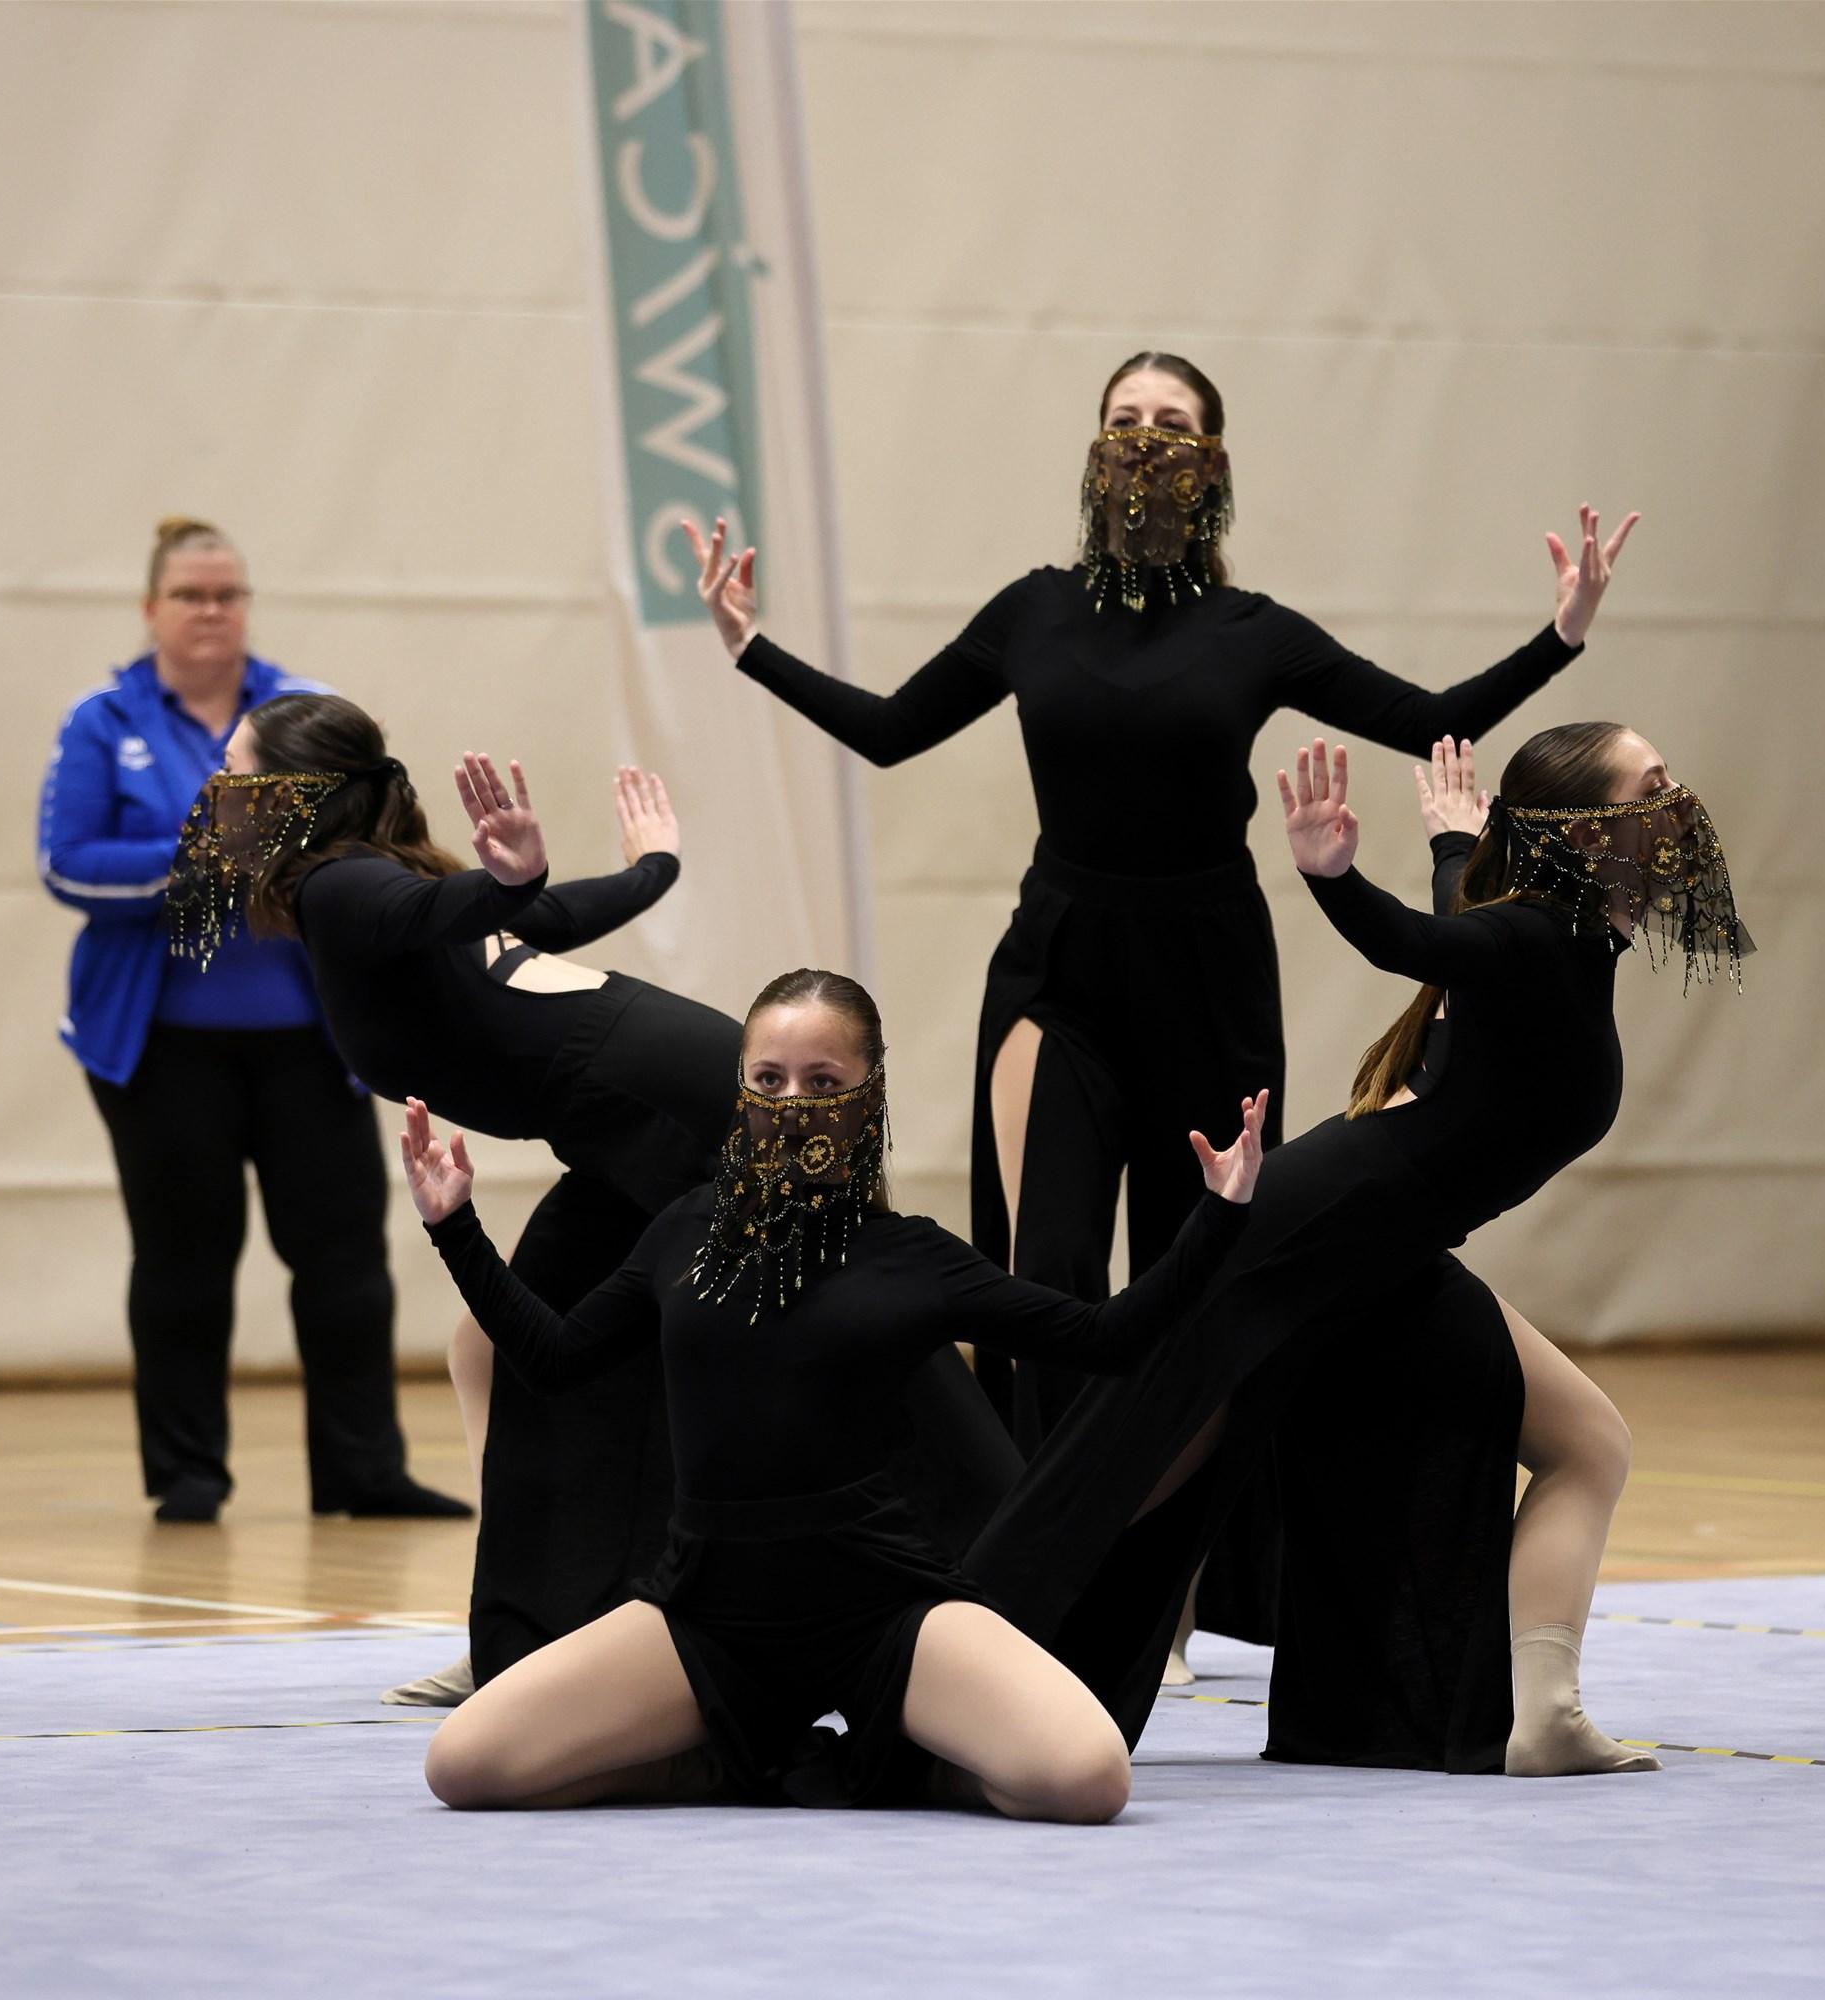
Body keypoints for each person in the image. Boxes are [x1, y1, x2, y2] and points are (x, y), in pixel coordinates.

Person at [700, 350, 1636, 1660]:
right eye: (1125, 419)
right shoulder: (1031, 611)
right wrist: (751, 649)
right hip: (1058, 972)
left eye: (1174, 422)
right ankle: (1024, 1574)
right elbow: (894, 727)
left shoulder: (1256, 633)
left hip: (1210, 978)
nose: (1146, 439)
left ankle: (1167, 1586)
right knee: (1047, 1269)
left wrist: (1562, 635)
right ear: (1094, 448)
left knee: (1195, 1283)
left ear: (1215, 462)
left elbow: (1431, 718)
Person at [187, 697, 1015, 1705]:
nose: (217, 790)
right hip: (622, 1114)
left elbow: (463, 910)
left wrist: (513, 878)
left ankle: (1017, 1575)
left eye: (236, 768)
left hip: (666, 1105)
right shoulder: (377, 884)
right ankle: (532, 1630)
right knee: (496, 1347)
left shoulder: (340, 886)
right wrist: (649, 868)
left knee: (841, 1327)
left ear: (302, 794)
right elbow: (543, 920)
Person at [966, 723, 1748, 1777]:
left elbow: (1456, 919)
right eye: (1651, 785)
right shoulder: (1534, 939)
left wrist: (1453, 841)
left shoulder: (1550, 936)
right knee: (1129, 1472)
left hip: (1385, 1252)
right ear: (1583, 832)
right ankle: (943, 1660)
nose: (1677, 799)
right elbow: (1419, 942)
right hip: (1316, 1226)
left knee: (1589, 1442)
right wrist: (1332, 878)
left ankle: (1543, 1715)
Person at [401, 970, 1267, 1817]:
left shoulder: (914, 1257)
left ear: (869, 1095)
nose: (793, 1103)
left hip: (881, 1608)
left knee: (1089, 1778)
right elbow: (555, 1360)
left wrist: (1218, 1216)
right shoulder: (684, 1231)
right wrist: (455, 1229)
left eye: (823, 1082)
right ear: (741, 1090)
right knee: (464, 1765)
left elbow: (1104, 1339)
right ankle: (714, 1768)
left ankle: (905, 1773)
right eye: (769, 1079)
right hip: (706, 1613)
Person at [35, 517, 458, 1524]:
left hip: (313, 1039)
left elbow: (363, 835)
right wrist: (199, 859)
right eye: (191, 595)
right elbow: (67, 864)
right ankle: (189, 1475)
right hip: (160, 1045)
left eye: (228, 594)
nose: (212, 611)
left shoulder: (299, 706)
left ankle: (363, 1471)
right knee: (183, 1259)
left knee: (345, 1259)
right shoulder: (101, 719)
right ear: (152, 609)